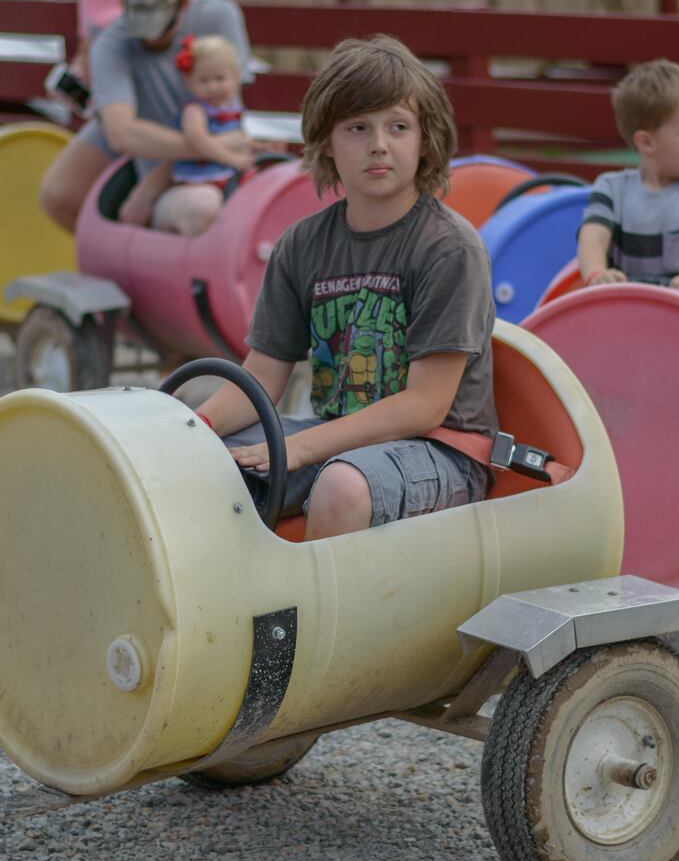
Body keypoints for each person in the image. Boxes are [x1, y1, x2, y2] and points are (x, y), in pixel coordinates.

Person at [193, 35, 497, 541]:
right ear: (327, 142)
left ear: (425, 139)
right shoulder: (302, 244)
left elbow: (425, 405)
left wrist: (301, 450)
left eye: (398, 126)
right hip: (337, 437)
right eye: (357, 127)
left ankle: (312, 621)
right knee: (203, 472)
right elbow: (262, 376)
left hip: (441, 449)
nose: (379, 144)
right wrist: (191, 431)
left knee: (341, 488)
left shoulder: (449, 248)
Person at [38, 0, 246, 234]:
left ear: (183, 4)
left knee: (198, 207)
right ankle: (112, 256)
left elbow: (224, 115)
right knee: (57, 193)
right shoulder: (112, 40)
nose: (149, 38)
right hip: (177, 136)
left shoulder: (216, 15)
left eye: (160, 27)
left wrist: (154, 183)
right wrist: (212, 146)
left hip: (195, 157)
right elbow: (121, 133)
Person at [576, 58, 679, 309]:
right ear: (646, 142)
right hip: (629, 320)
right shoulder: (611, 189)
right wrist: (598, 275)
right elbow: (592, 238)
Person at [118, 34, 249, 234]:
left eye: (220, 78)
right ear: (188, 82)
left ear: (235, 77)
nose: (213, 87)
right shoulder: (194, 111)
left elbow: (239, 139)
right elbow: (197, 141)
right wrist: (233, 158)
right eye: (204, 80)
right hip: (196, 181)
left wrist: (259, 146)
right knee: (205, 203)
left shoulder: (231, 110)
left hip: (225, 179)